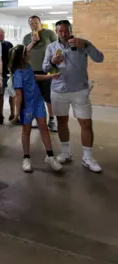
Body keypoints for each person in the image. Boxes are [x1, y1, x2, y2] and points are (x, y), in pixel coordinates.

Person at [43, 20, 104, 173]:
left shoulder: (82, 44)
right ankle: (65, 152)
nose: (63, 34)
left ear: (70, 30)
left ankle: (87, 157)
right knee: (62, 121)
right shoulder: (51, 47)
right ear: (56, 32)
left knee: (86, 123)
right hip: (58, 90)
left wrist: (87, 45)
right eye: (60, 31)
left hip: (79, 90)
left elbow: (99, 58)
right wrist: (52, 61)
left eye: (66, 30)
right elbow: (45, 67)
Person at [9, 45, 62, 173]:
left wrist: (51, 76)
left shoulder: (27, 67)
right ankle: (26, 158)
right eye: (27, 52)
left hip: (38, 101)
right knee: (26, 131)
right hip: (27, 106)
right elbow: (18, 95)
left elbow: (34, 77)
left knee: (44, 127)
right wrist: (16, 114)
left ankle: (50, 156)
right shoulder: (17, 73)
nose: (29, 53)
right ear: (22, 56)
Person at [23, 15, 58, 131]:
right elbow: (24, 52)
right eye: (32, 23)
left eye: (36, 23)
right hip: (32, 71)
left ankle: (52, 120)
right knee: (34, 97)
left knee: (48, 96)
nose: (34, 25)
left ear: (40, 22)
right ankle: (39, 119)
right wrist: (32, 42)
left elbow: (57, 48)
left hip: (46, 70)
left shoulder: (49, 33)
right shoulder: (27, 37)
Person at [0, 28, 15, 124]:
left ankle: (12, 114)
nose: (1, 34)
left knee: (12, 94)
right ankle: (1, 114)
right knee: (0, 94)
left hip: (9, 73)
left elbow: (13, 58)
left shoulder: (9, 44)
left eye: (3, 33)